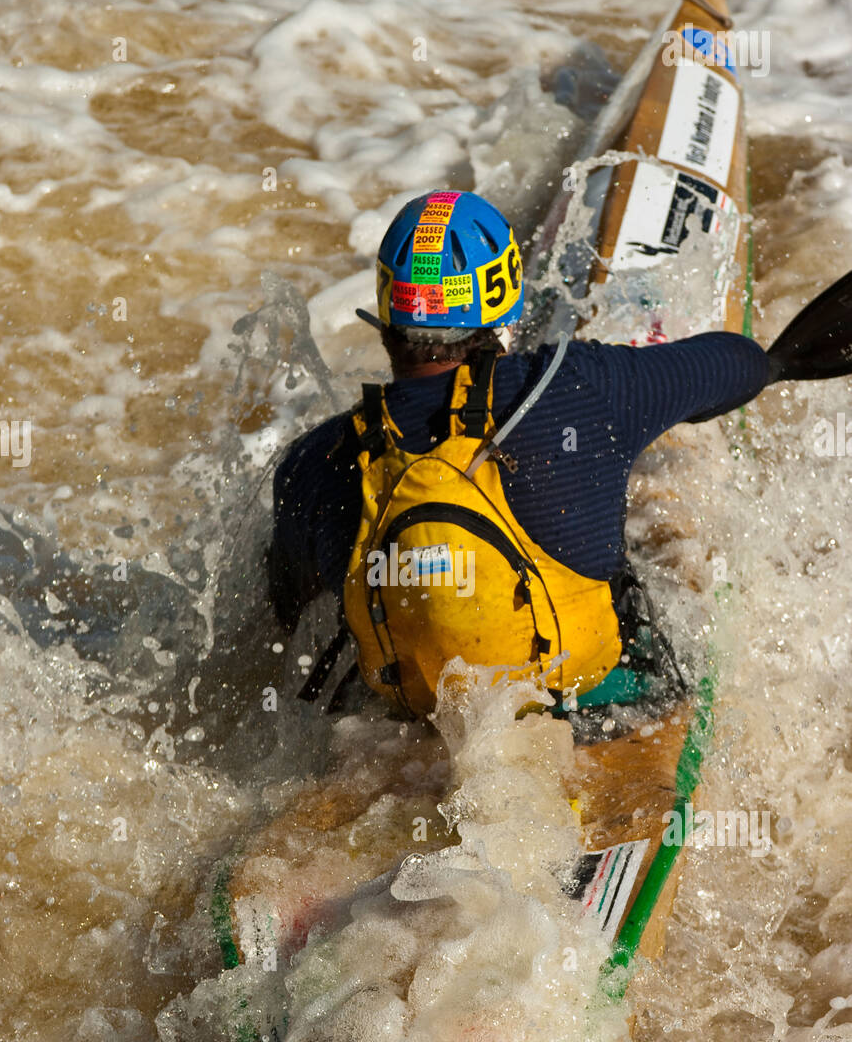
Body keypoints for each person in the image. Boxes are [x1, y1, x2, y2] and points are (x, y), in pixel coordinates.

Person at [268, 188, 774, 720]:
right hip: (595, 709)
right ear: (503, 295)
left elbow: (285, 609)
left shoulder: (315, 462)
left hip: (414, 727)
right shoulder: (580, 386)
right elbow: (740, 363)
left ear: (387, 309)